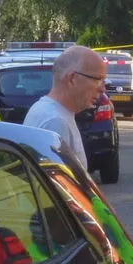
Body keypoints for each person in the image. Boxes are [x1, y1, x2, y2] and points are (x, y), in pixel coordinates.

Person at [26, 45, 103, 175]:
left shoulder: (49, 111)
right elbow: (56, 182)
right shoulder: (55, 121)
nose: (102, 89)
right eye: (98, 80)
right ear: (72, 78)